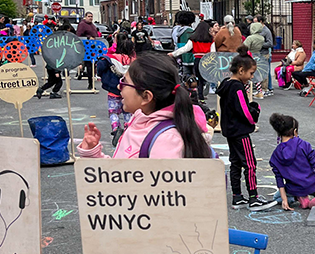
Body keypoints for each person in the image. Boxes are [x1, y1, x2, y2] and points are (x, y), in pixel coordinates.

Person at [77, 51, 212, 160]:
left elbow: (153, 191)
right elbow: (120, 175)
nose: (119, 86)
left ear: (146, 97)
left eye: (124, 82)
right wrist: (93, 154)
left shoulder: (167, 141)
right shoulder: (139, 119)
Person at [217, 53, 274, 210]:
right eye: (251, 73)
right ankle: (253, 197)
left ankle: (237, 196)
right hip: (240, 132)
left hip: (230, 131)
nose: (251, 77)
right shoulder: (237, 88)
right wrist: (256, 110)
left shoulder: (226, 84)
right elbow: (246, 111)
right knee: (249, 163)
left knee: (235, 163)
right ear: (241, 70)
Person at [268, 113, 315, 209]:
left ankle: (299, 197)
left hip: (294, 188)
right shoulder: (304, 145)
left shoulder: (275, 155)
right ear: (295, 131)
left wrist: (284, 200)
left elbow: (279, 178)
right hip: (312, 184)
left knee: (277, 197)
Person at [97, 32, 136, 145]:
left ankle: (116, 129)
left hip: (113, 90)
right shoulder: (133, 61)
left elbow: (100, 67)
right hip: (128, 91)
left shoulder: (110, 59)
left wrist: (104, 77)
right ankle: (128, 128)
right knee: (128, 112)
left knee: (113, 112)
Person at [170, 19, 216, 100]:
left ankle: (198, 95)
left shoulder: (193, 39)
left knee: (198, 78)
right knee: (204, 79)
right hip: (206, 60)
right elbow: (213, 52)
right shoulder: (210, 40)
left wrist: (173, 54)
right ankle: (202, 94)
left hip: (197, 60)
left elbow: (185, 49)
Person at [36, 20, 67, 99]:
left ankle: (41, 90)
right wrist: (56, 71)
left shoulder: (53, 43)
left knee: (51, 81)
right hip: (53, 66)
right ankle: (54, 92)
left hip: (50, 66)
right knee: (59, 82)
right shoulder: (58, 46)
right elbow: (55, 58)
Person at [244, 19, 273, 98]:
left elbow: (245, 47)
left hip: (251, 55)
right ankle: (260, 91)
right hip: (258, 55)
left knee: (249, 73)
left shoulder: (250, 38)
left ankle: (247, 91)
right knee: (258, 74)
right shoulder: (261, 38)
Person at [75, 12, 100, 90]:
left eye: (91, 16)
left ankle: (90, 83)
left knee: (92, 66)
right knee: (88, 65)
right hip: (86, 48)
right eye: (89, 16)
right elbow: (79, 36)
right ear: (85, 17)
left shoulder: (93, 25)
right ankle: (90, 83)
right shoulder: (82, 24)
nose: (90, 18)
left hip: (93, 48)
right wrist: (88, 38)